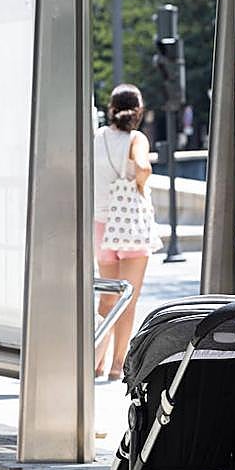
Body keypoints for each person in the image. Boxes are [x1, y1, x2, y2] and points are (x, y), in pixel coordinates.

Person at [94, 84, 155, 381]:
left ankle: (96, 361)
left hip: (100, 225)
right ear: (139, 111)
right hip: (130, 226)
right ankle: (118, 365)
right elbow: (143, 168)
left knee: (107, 298)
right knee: (127, 299)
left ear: (111, 109)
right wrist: (139, 186)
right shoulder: (136, 139)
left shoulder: (97, 137)